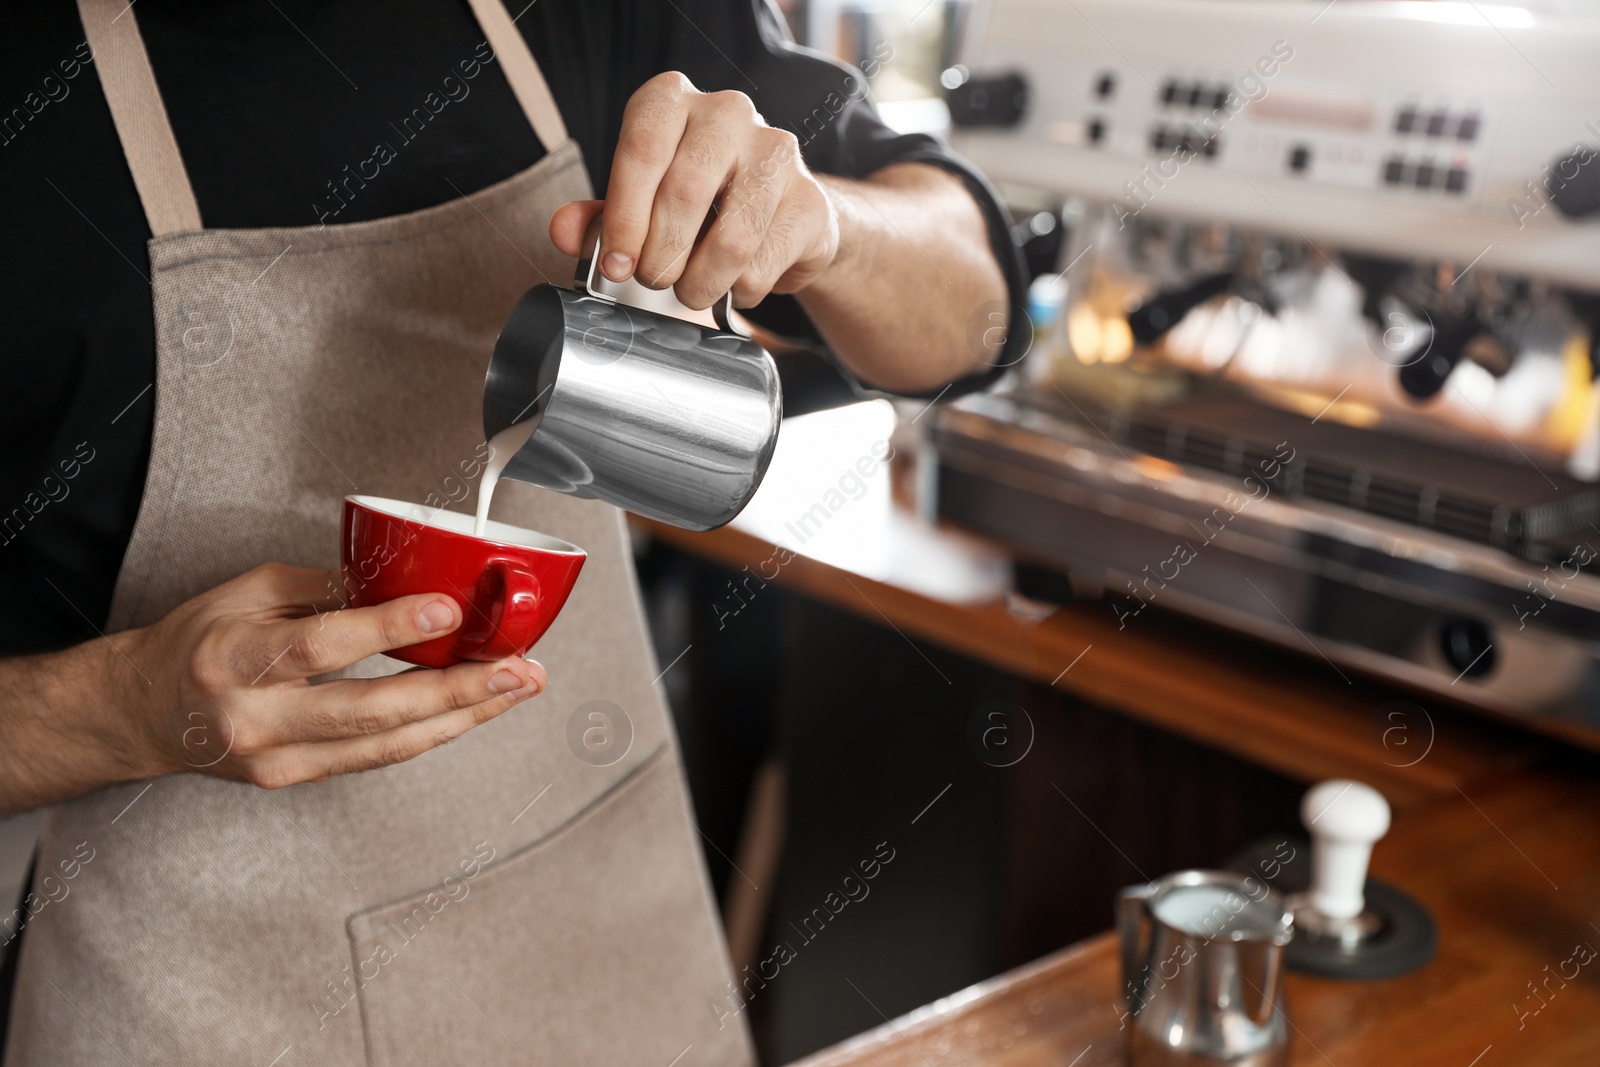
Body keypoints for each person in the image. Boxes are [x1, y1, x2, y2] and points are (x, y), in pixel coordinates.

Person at [0, 0, 1023, 1061]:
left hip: (599, 953)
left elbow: (979, 315)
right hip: (184, 1001)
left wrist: (830, 232)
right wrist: (120, 709)